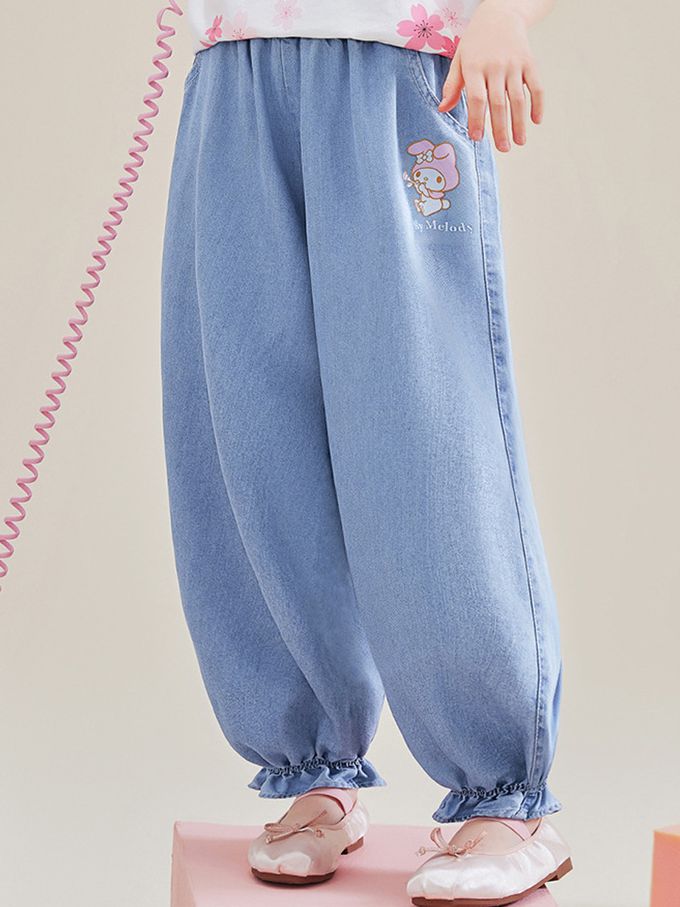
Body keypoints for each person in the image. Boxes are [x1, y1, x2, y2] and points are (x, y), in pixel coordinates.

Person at [160, 1, 572, 903]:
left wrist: (505, 15)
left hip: (393, 70)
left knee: (422, 431)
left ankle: (504, 795)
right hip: (235, 79)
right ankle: (314, 770)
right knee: (249, 436)